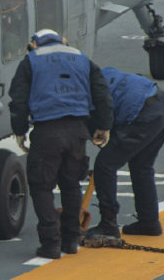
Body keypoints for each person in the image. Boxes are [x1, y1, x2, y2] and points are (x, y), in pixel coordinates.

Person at [8, 28, 114, 259]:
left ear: (34, 43)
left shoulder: (31, 60)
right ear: (62, 40)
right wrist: (103, 126)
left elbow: (18, 100)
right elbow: (102, 94)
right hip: (77, 130)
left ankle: (50, 244)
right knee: (71, 184)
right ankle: (71, 240)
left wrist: (19, 131)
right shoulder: (81, 57)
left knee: (41, 186)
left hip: (47, 131)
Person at [89, 62, 164, 238]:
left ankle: (108, 225)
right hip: (163, 104)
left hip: (143, 113)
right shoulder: (98, 72)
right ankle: (149, 222)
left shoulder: (78, 92)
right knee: (141, 166)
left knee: (105, 165)